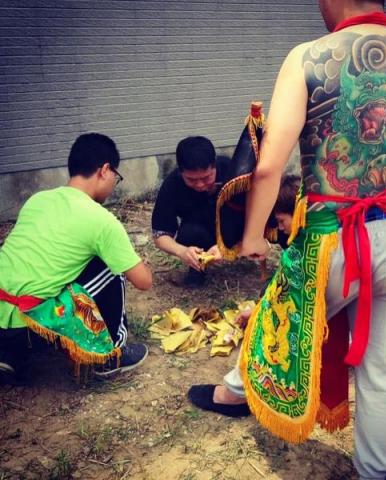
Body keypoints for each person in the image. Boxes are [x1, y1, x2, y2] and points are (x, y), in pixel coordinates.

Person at [237, 1, 386, 479]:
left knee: (275, 321)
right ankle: (382, 472)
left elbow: (269, 166)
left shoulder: (308, 56)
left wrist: (252, 237)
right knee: (384, 369)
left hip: (333, 241)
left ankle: (232, 389)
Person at [0, 133, 152, 384]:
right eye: (116, 176)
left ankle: (9, 356)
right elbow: (144, 281)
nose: (114, 183)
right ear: (105, 170)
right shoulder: (101, 220)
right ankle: (110, 357)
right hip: (30, 328)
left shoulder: (37, 200)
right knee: (112, 269)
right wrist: (136, 261)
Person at [187, 174, 301, 417]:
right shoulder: (310, 232)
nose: (280, 227)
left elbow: (286, 293)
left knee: (267, 320)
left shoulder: (305, 250)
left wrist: (260, 310)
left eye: (281, 221)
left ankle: (236, 395)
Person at [151, 136, 228, 287]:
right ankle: (197, 267)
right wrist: (182, 252)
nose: (199, 185)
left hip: (233, 228)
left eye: (206, 178)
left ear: (214, 166)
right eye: (192, 180)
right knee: (189, 232)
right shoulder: (172, 184)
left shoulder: (232, 170)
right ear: (181, 172)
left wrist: (230, 245)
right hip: (201, 232)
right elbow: (160, 234)